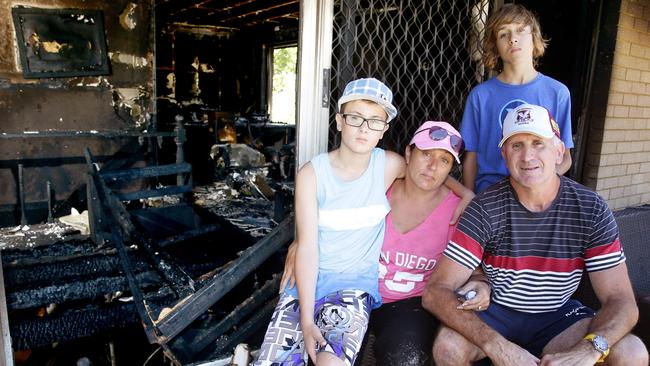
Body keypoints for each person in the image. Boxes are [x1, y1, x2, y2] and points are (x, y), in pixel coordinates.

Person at [254, 78, 472, 366]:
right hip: (306, 283)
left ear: (384, 129)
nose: (363, 128)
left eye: (374, 121)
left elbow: (429, 173)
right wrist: (306, 320)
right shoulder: (312, 174)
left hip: (353, 288)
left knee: (330, 362)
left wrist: (466, 193)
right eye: (355, 118)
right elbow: (308, 248)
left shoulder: (387, 165)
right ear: (339, 120)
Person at [422, 103, 649, 366]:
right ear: (504, 155)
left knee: (632, 352)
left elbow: (621, 301)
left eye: (538, 142)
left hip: (558, 317)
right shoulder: (485, 207)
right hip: (494, 311)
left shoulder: (590, 208)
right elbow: (436, 292)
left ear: (559, 150)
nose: (527, 156)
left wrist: (591, 349)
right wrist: (495, 345)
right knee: (448, 347)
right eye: (516, 145)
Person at [460, 3, 573, 193]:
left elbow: (565, 157)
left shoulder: (557, 93)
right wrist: (470, 200)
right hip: (490, 194)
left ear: (534, 38)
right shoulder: (480, 96)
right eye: (503, 34)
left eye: (520, 31)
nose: (513, 39)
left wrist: (537, 183)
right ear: (495, 45)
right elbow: (471, 156)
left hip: (537, 195)